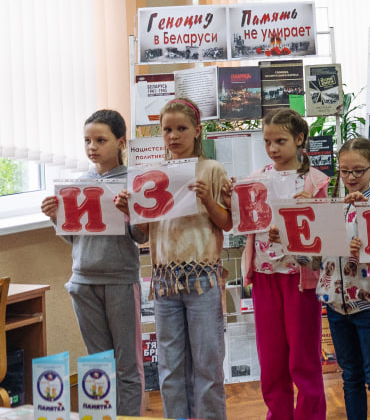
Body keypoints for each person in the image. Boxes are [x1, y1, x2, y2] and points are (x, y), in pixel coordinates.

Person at [116, 98, 231, 420]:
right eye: (167, 130)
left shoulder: (211, 169)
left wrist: (208, 200)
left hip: (203, 277)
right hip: (165, 281)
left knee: (208, 364)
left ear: (197, 131)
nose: (174, 136)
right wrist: (130, 211)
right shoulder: (152, 175)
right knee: (170, 366)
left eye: (181, 128)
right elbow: (142, 233)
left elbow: (227, 223)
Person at [40, 109, 146, 417]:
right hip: (83, 282)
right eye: (87, 141)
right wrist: (55, 218)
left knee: (126, 365)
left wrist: (130, 211)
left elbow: (141, 236)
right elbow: (73, 239)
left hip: (120, 281)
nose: (92, 147)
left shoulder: (132, 181)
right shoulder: (78, 184)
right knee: (98, 364)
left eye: (101, 140)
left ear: (121, 142)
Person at [243, 109, 331, 420]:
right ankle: (278, 414)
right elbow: (245, 221)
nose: (273, 148)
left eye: (280, 141)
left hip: (299, 278)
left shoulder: (316, 181)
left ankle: (310, 415)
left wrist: (297, 226)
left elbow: (324, 234)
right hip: (264, 275)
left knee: (303, 358)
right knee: (271, 358)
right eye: (267, 142)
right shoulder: (254, 180)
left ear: (299, 139)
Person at [317, 137, 370, 420]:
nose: (350, 177)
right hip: (336, 307)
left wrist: (364, 211)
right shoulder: (332, 207)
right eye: (344, 171)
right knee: (350, 376)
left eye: (358, 170)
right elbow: (316, 257)